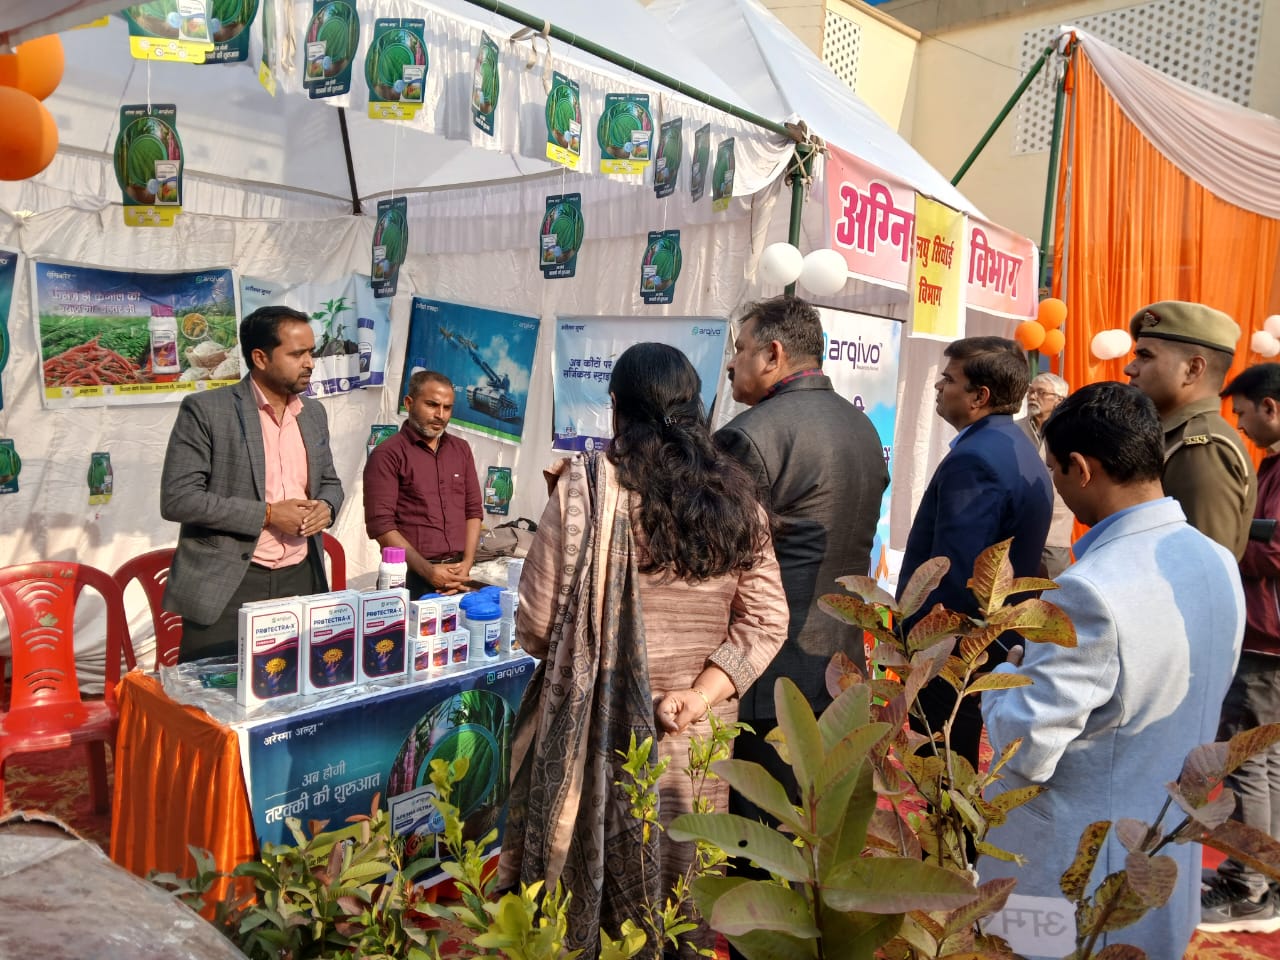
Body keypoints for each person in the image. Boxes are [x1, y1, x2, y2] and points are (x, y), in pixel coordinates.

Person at [499, 343, 787, 957]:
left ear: (615, 411)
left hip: (596, 733)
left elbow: (538, 626)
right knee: (681, 883)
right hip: (695, 731)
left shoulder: (587, 494)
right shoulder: (741, 505)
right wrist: (700, 693)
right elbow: (766, 621)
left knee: (588, 892)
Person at [980, 381, 1244, 960]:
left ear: (1079, 469)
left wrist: (998, 691)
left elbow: (1024, 748)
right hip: (1160, 850)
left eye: (1053, 469)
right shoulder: (1217, 560)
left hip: (1070, 874)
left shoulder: (1089, 591)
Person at [713, 295, 887, 813]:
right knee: (818, 833)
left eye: (740, 349)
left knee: (760, 847)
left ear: (772, 354)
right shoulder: (861, 426)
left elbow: (717, 565)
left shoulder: (748, 436)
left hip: (771, 676)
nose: (730, 363)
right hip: (840, 664)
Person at [898, 336, 1053, 766]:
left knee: (941, 767)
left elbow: (955, 570)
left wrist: (926, 647)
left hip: (954, 649)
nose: (938, 388)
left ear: (979, 396)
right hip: (988, 640)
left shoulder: (978, 460)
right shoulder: (1012, 445)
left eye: (948, 379)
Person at [161, 305, 344, 662]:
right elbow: (179, 499)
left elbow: (330, 482)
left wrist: (327, 507)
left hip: (300, 578)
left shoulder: (313, 414)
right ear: (260, 358)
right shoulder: (206, 410)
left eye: (311, 352)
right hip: (230, 585)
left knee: (294, 693)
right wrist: (270, 514)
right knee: (215, 705)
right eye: (296, 354)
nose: (309, 362)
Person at [1200, 362, 1280, 932]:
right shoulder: (1271, 465)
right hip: (1267, 639)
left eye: (1245, 413)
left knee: (1247, 763)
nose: (1243, 426)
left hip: (1267, 640)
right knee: (1268, 764)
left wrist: (1223, 543)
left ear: (1270, 407)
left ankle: (1245, 887)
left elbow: (1273, 550)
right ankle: (1265, 877)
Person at [1123, 299, 1256, 560]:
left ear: (1193, 369)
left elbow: (1203, 573)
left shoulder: (1201, 449)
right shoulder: (1174, 437)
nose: (1130, 368)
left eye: (1145, 356)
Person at [363, 370, 481, 597]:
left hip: (458, 577)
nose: (441, 415)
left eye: (447, 408)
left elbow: (473, 511)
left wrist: (467, 563)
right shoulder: (387, 454)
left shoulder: (461, 450)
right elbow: (381, 525)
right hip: (407, 578)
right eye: (432, 405)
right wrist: (428, 571)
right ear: (409, 403)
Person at [1017, 372, 1075, 577]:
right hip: (1017, 526)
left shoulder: (1070, 432)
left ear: (1059, 400)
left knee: (1053, 591)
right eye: (1030, 391)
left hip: (1055, 527)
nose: (1032, 397)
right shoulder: (1015, 429)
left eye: (1041, 393)